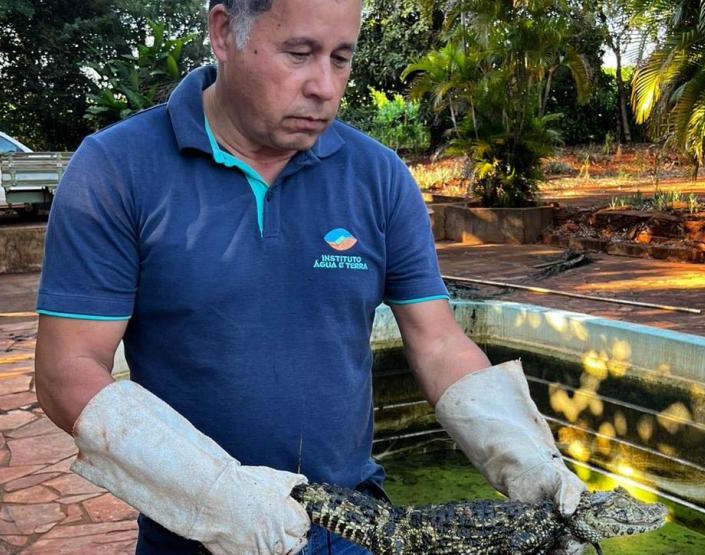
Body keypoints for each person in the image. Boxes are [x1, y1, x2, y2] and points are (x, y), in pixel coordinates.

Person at [34, 0, 587, 553]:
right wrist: (215, 493)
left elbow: (439, 342)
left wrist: (522, 452)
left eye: (341, 58)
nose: (324, 85)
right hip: (194, 530)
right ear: (224, 32)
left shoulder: (378, 175)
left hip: (351, 524)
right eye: (299, 54)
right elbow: (67, 370)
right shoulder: (117, 169)